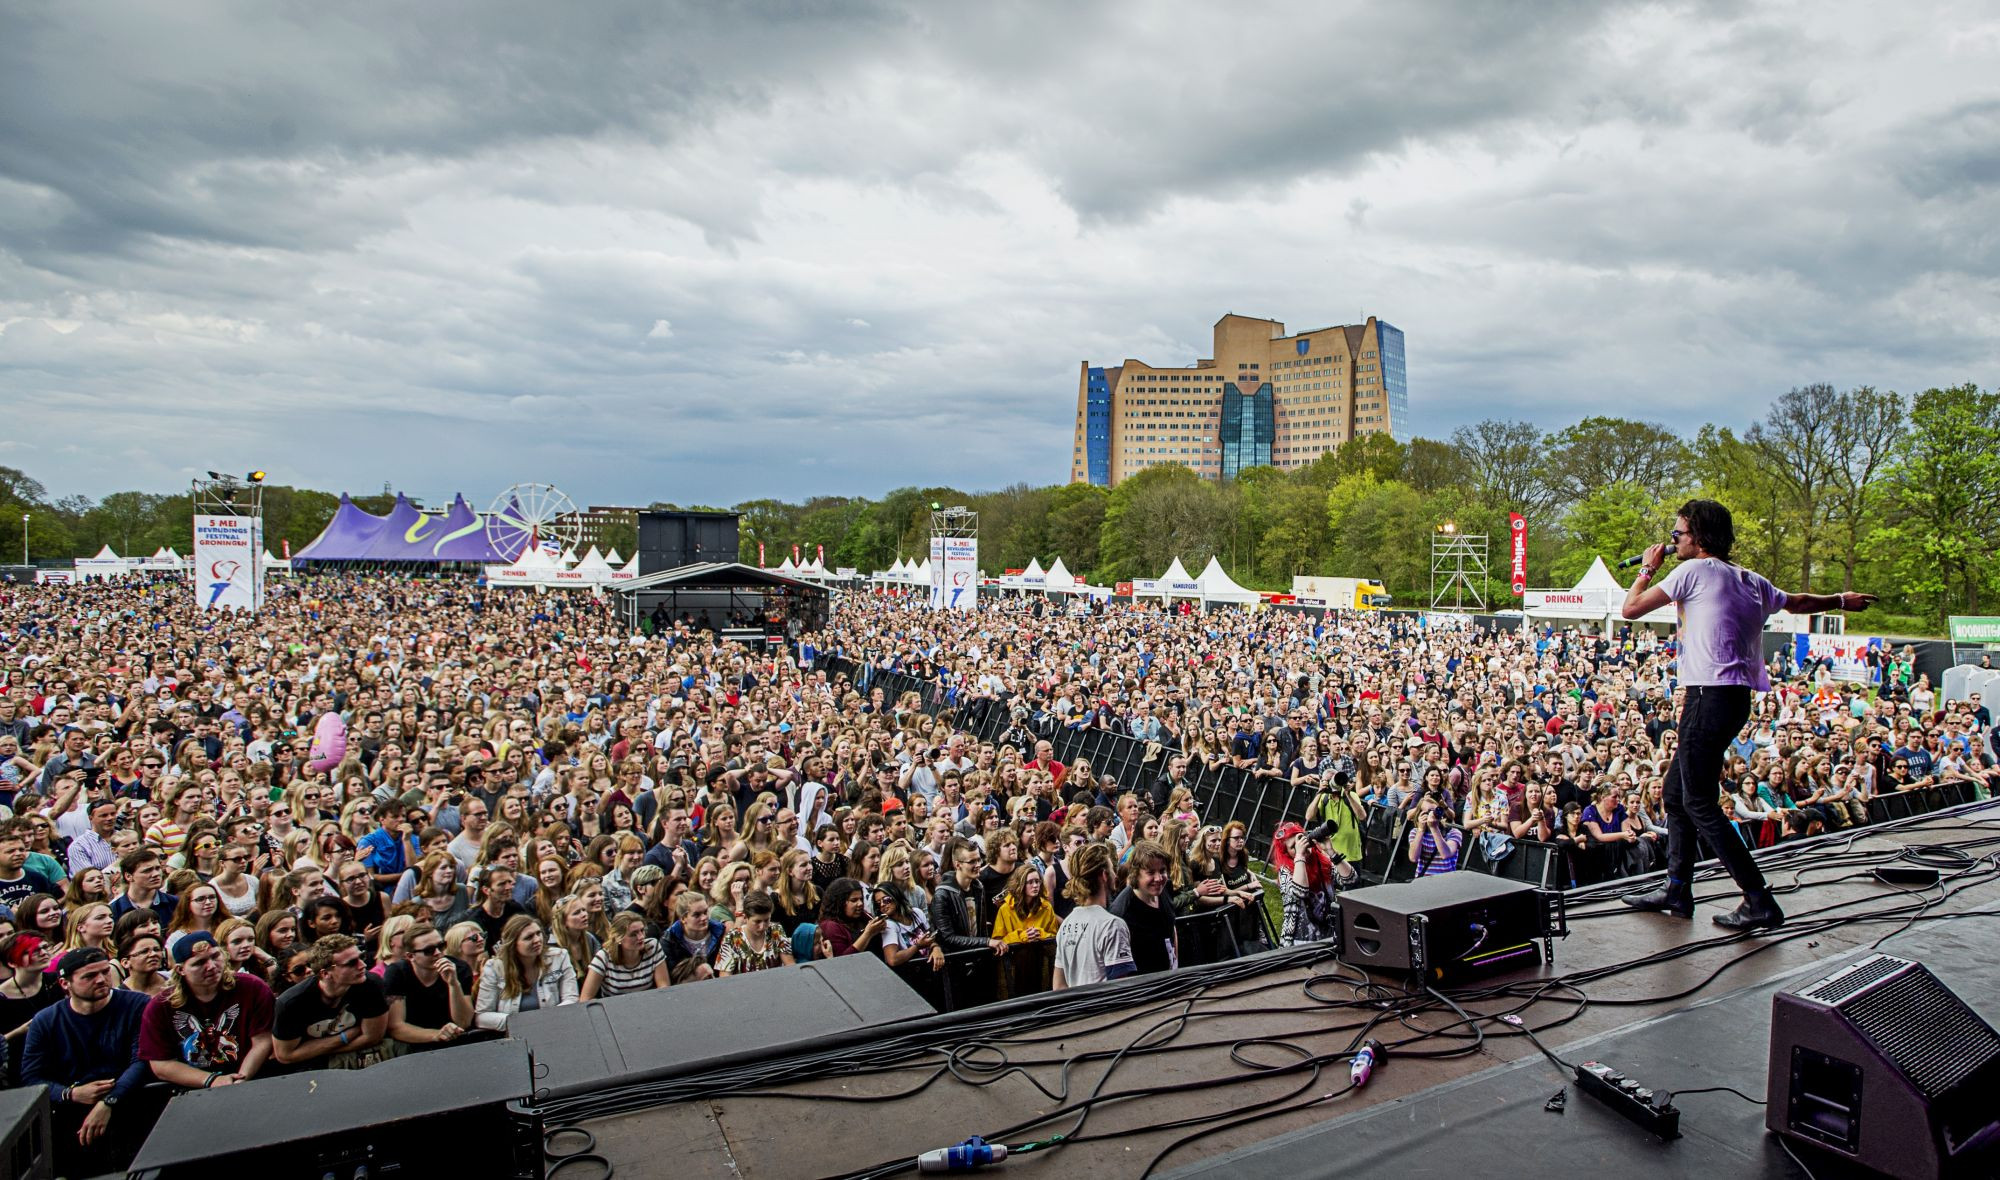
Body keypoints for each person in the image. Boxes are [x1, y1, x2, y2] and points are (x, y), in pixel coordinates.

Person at [1621, 499, 1876, 931]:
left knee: (1698, 801)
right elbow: (1795, 602)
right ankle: (1677, 888)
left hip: (1708, 694)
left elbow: (1630, 609)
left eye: (1678, 533)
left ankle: (1758, 899)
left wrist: (1648, 567)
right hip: (1735, 699)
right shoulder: (1752, 580)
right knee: (1675, 792)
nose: (1673, 539)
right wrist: (1839, 600)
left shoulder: (1692, 571)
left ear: (1699, 537)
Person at [21, 948, 151, 1176]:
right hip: (73, 1116)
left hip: (131, 1102)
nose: (101, 980)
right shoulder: (47, 1021)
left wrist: (109, 1101)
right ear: (65, 983)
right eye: (89, 976)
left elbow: (141, 1059)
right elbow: (32, 1078)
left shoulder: (137, 1004)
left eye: (104, 972)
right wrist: (70, 1094)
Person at [137, 931, 276, 1088]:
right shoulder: (160, 1006)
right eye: (199, 963)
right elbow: (161, 1064)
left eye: (215, 956)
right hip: (192, 1088)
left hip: (251, 1080)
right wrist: (212, 1080)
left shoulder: (252, 988)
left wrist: (240, 1080)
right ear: (180, 970)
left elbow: (263, 1040)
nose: (211, 966)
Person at [271, 934, 392, 1070]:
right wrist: (346, 1036)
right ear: (325, 973)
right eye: (351, 963)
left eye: (361, 956)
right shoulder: (291, 1002)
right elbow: (285, 1056)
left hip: (358, 1058)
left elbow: (372, 1038)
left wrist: (313, 1049)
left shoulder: (371, 984)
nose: (362, 965)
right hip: (311, 1069)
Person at [1052, 843, 1133, 990]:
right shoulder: (1112, 925)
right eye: (1111, 869)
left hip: (1076, 1010)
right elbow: (1120, 988)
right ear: (1104, 875)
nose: (1115, 875)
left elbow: (1058, 986)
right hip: (1105, 1010)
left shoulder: (1066, 924)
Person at [383, 924, 474, 1048]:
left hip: (456, 1041)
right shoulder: (398, 973)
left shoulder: (459, 969)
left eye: (441, 946)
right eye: (429, 950)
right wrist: (436, 1035)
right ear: (410, 956)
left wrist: (453, 984)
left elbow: (464, 1022)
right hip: (413, 1045)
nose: (438, 953)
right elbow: (396, 1027)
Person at [1108, 839, 1178, 975]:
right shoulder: (1122, 913)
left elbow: (1171, 928)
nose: (1159, 878)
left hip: (1168, 977)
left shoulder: (1165, 889)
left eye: (1162, 871)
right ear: (1136, 874)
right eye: (1151, 872)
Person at [1270, 821, 1339, 946]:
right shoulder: (1285, 871)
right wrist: (1300, 855)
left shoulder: (1322, 861)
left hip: (1330, 937)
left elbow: (1351, 879)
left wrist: (1331, 851)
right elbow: (1301, 891)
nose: (1300, 846)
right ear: (1286, 853)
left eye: (1301, 839)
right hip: (1299, 943)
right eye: (1293, 846)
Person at [580, 911, 670, 999]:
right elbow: (585, 999)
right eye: (633, 934)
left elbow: (664, 987)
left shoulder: (652, 946)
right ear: (618, 938)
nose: (641, 937)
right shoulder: (604, 957)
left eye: (642, 931)